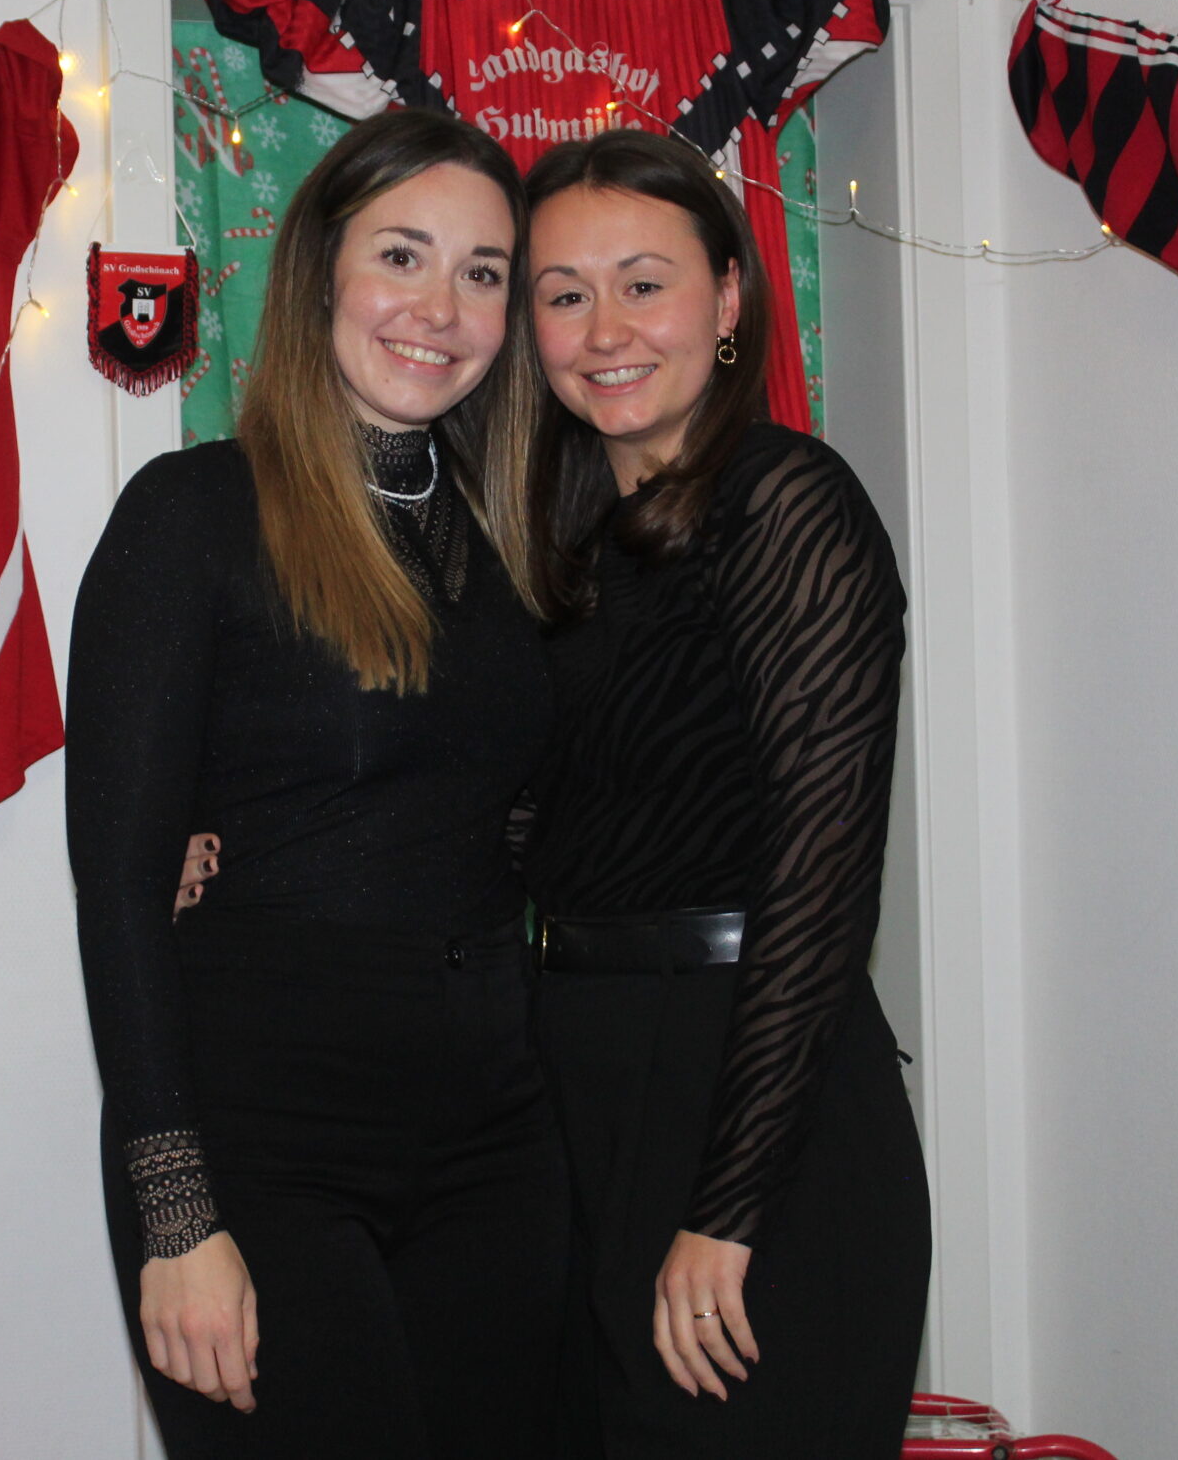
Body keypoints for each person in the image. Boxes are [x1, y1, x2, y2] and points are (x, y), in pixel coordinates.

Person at [65, 108, 565, 1458]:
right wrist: (179, 1217)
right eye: (402, 255)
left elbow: (511, 821)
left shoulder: (510, 541)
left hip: (495, 1139)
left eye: (481, 272)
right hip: (259, 1138)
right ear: (318, 274)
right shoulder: (193, 515)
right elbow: (118, 888)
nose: (440, 308)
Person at [518, 127, 930, 1456]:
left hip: (753, 1101)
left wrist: (728, 1207)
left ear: (729, 298)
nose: (605, 331)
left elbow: (824, 875)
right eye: (564, 294)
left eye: (645, 284)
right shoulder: (553, 543)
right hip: (574, 1088)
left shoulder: (784, 503)